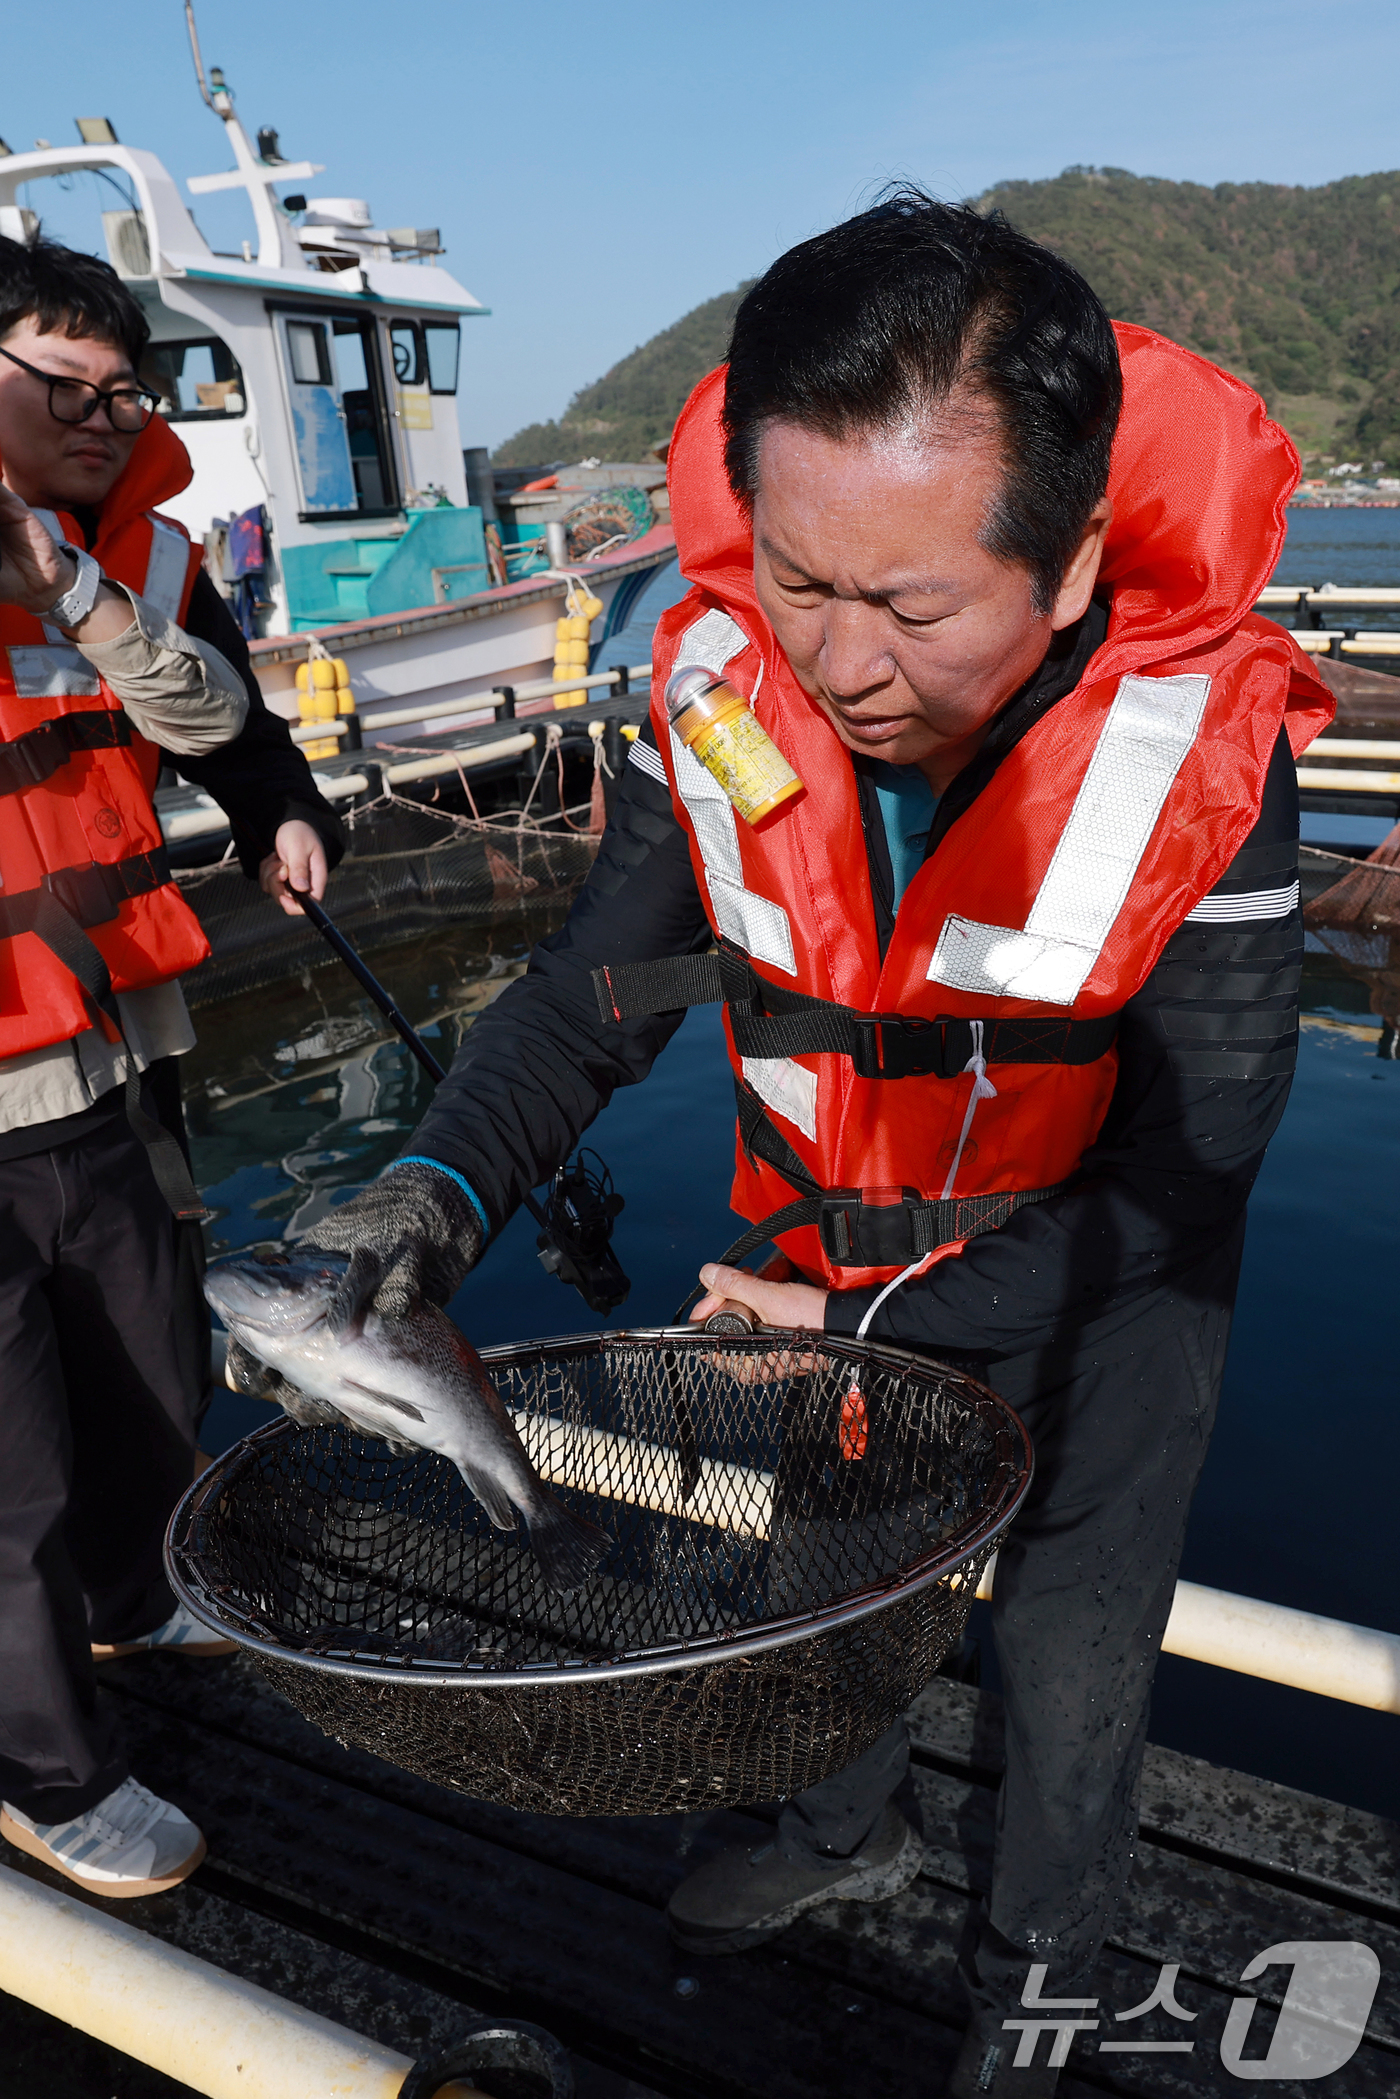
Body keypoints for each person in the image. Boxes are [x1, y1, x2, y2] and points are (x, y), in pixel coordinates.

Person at [298, 193, 1330, 2094]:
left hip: (1097, 1318)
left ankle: (1038, 1973)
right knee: (821, 1582)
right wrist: (425, 1196)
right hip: (810, 1264)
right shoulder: (717, 688)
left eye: (916, 608)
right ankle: (848, 1829)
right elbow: (591, 999)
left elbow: (1198, 1169)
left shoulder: (1205, 747)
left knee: (1072, 1669)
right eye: (797, 578)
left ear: (1071, 563)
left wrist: (862, 1331)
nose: (843, 662)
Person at [0, 236, 343, 1901]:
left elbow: (225, 723)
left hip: (115, 1058)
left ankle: (139, 1598)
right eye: (60, 384)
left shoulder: (135, 551)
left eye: (124, 391)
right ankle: (49, 1777)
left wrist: (287, 809)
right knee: (9, 1472)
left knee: (147, 1366)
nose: (101, 413)